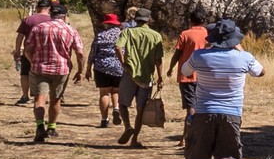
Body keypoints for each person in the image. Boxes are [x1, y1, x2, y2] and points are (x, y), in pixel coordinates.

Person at [182, 18, 264, 159]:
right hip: (232, 112)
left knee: (201, 157)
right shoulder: (244, 58)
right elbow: (260, 72)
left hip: (203, 112)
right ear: (234, 39)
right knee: (228, 153)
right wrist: (240, 49)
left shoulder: (199, 56)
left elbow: (186, 72)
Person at [24, 3, 84, 143]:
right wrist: (80, 70)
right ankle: (51, 127)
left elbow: (27, 48)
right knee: (55, 99)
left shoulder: (38, 28)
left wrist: (33, 61)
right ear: (64, 16)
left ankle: (40, 126)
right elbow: (80, 53)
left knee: (39, 99)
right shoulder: (70, 30)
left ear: (50, 14)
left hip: (39, 68)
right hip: (61, 69)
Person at [113, 8, 165, 147]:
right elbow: (158, 59)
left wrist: (123, 63)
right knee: (140, 109)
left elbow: (117, 47)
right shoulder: (156, 36)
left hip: (130, 73)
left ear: (135, 19)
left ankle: (128, 127)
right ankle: (134, 139)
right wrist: (160, 77)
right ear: (148, 20)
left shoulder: (128, 32)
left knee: (123, 104)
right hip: (147, 76)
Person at [164, 10, 209, 137]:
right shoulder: (207, 34)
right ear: (203, 21)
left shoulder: (185, 34)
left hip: (187, 76)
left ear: (190, 20)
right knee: (201, 105)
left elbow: (177, 54)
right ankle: (194, 135)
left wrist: (170, 68)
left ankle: (188, 136)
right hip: (204, 75)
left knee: (191, 107)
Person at [85, 13, 125, 127]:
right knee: (116, 91)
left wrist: (88, 68)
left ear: (106, 24)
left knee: (104, 93)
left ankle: (104, 119)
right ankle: (116, 108)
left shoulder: (100, 35)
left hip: (101, 67)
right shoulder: (122, 35)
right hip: (118, 66)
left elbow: (93, 53)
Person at [12, 0, 54, 104]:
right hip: (47, 52)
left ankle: (25, 96)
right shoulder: (52, 20)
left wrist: (17, 51)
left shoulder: (28, 19)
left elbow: (20, 36)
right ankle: (45, 97)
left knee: (25, 73)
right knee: (46, 74)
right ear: (49, 8)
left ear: (37, 8)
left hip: (29, 51)